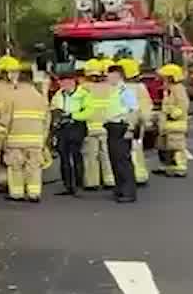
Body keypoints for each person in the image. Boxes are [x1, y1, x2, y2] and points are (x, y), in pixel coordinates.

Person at [1, 61, 48, 202]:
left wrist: (2, 136)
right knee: (33, 166)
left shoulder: (12, 96)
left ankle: (17, 193)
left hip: (16, 138)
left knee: (15, 167)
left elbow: (5, 119)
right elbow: (46, 120)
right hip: (35, 139)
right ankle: (34, 193)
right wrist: (43, 138)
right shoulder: (40, 97)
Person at [103, 60, 138, 203]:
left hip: (121, 127)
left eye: (109, 75)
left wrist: (130, 129)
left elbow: (134, 110)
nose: (107, 78)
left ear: (117, 75)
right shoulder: (114, 91)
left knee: (123, 161)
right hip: (112, 127)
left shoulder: (126, 91)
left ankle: (128, 192)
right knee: (115, 160)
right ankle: (120, 189)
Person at [78, 59, 114, 191]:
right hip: (106, 127)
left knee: (90, 156)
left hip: (90, 127)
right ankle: (110, 179)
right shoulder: (109, 88)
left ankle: (92, 182)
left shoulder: (83, 88)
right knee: (106, 154)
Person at [50, 72, 87, 196]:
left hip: (77, 126)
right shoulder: (58, 95)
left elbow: (88, 110)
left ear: (73, 82)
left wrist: (73, 115)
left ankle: (78, 184)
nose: (64, 85)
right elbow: (53, 109)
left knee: (76, 155)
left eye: (67, 82)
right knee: (64, 157)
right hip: (62, 128)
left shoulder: (83, 94)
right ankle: (68, 185)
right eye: (62, 82)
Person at [119, 57, 152, 185]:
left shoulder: (117, 87)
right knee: (136, 149)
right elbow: (145, 108)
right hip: (135, 124)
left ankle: (125, 176)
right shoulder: (140, 87)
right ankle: (139, 175)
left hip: (120, 123)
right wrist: (145, 121)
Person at [158, 63, 191, 175]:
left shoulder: (178, 89)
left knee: (177, 147)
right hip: (168, 125)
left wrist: (172, 114)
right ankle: (168, 167)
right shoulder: (170, 89)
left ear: (172, 77)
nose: (163, 79)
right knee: (166, 147)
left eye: (165, 77)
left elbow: (183, 106)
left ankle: (180, 168)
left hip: (176, 124)